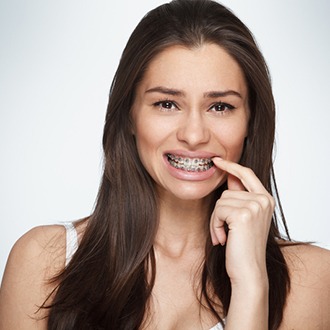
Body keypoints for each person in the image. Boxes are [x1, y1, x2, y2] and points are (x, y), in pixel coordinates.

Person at [0, 0, 329, 329]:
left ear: (250, 123)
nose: (194, 134)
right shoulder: (43, 261)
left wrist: (251, 283)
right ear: (129, 115)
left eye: (220, 107)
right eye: (167, 103)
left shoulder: (311, 280)